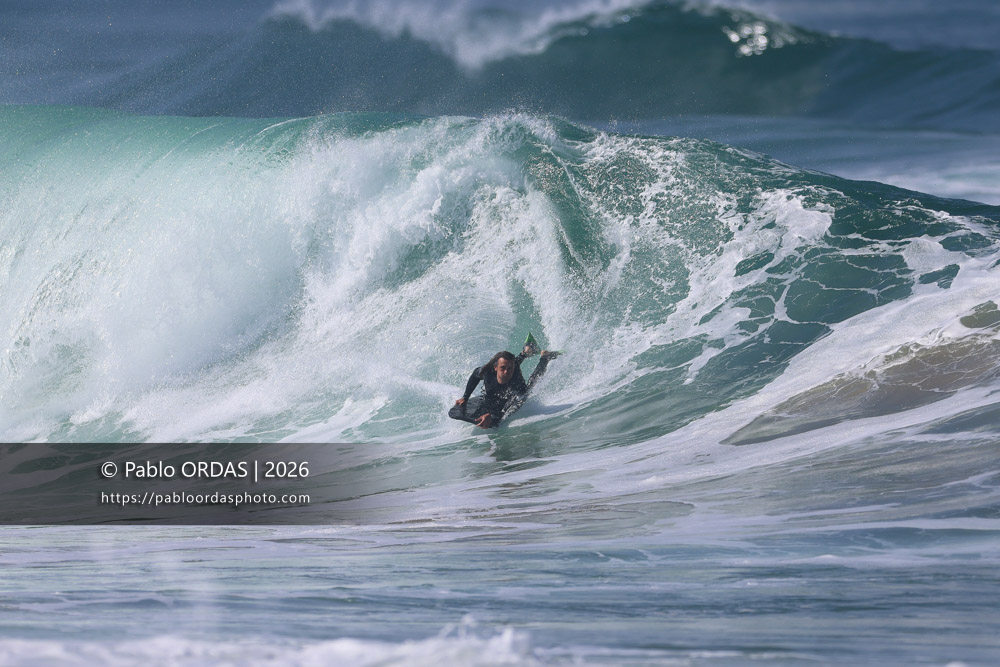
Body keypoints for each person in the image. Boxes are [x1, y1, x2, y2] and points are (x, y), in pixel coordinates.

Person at [451, 344, 559, 429]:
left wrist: (492, 416)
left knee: (531, 384)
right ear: (495, 368)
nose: (506, 372)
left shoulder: (516, 384)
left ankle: (545, 357)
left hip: (515, 390)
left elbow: (508, 407)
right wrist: (465, 397)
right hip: (504, 369)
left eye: (509, 369)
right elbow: (474, 376)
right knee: (510, 363)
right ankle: (526, 351)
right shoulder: (486, 372)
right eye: (502, 368)